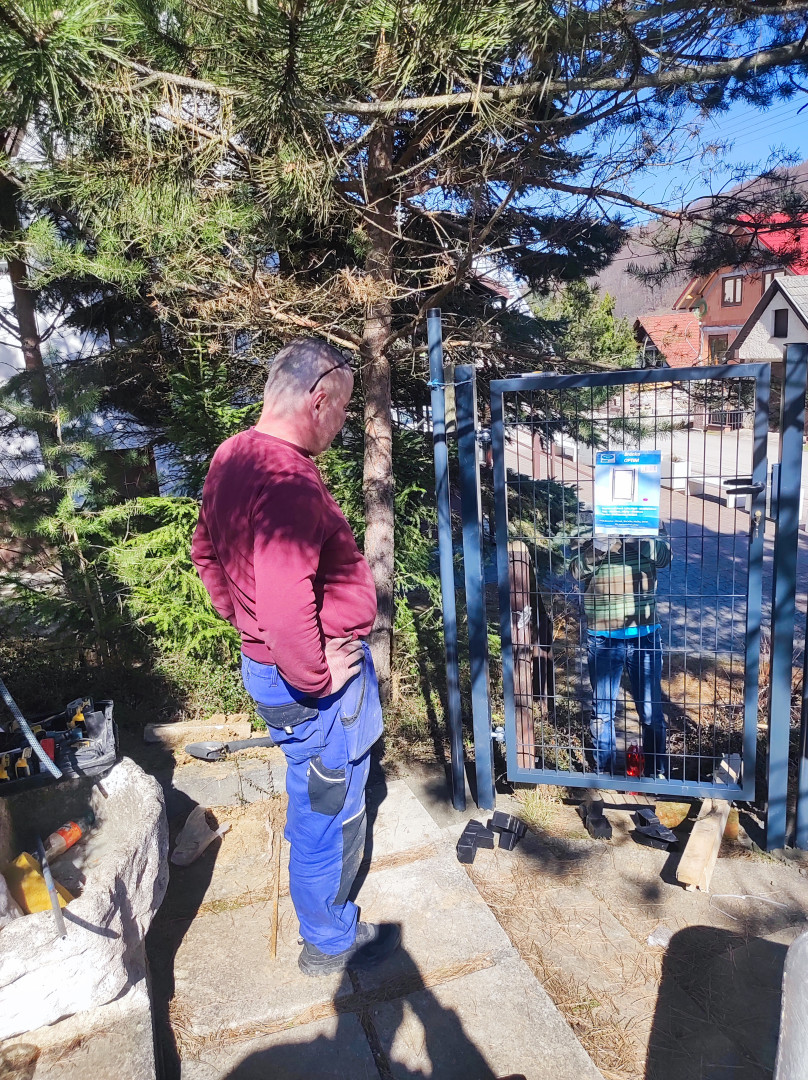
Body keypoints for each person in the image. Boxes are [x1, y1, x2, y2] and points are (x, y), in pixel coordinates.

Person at [191, 338, 400, 976]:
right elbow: (285, 596)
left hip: (271, 665)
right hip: (312, 678)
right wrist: (313, 671)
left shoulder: (233, 454)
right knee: (330, 807)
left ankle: (322, 919)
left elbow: (205, 552)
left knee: (312, 790)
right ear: (319, 398)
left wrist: (245, 623)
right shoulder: (287, 479)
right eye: (343, 409)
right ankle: (329, 939)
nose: (343, 424)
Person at [569, 530, 671, 779]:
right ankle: (604, 774)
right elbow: (576, 571)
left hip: (644, 634)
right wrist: (598, 546)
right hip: (603, 635)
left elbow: (664, 558)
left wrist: (634, 537)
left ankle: (657, 775)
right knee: (603, 712)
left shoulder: (648, 520)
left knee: (650, 712)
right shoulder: (590, 524)